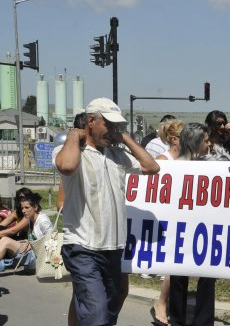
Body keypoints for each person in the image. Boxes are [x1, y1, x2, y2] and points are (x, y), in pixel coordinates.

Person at [53, 97, 160, 325]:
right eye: (108, 125)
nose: (112, 131)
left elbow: (152, 167)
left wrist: (123, 137)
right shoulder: (71, 151)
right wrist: (74, 134)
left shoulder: (117, 155)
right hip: (83, 247)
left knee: (113, 303)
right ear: (91, 121)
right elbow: (67, 166)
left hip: (112, 247)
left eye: (116, 126)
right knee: (96, 311)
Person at [168, 123, 214, 326]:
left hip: (206, 228)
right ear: (195, 143)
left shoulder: (214, 167)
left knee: (208, 275)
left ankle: (203, 321)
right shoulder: (173, 167)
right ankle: (177, 318)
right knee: (178, 275)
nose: (209, 144)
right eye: (205, 140)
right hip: (180, 227)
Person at [148, 119, 185, 326]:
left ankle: (165, 303)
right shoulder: (163, 160)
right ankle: (161, 302)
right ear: (173, 139)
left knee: (179, 262)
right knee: (173, 262)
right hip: (166, 216)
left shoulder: (188, 160)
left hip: (181, 215)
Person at [0, 193, 52, 278]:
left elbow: (51, 241)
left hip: (40, 259)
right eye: (22, 208)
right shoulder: (31, 219)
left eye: (27, 208)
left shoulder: (43, 221)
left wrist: (32, 246)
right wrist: (28, 242)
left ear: (35, 207)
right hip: (33, 254)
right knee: (4, 239)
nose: (23, 210)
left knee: (6, 241)